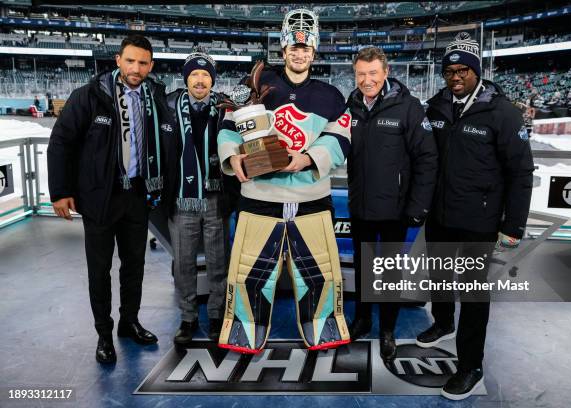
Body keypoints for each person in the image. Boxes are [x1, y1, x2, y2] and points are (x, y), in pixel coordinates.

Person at [217, 8, 352, 353]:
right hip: (260, 196)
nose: (299, 52)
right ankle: (243, 332)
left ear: (314, 51)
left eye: (305, 48)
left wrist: (307, 158)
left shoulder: (331, 96)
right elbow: (229, 123)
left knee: (318, 272)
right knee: (251, 272)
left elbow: (341, 139)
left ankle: (324, 328)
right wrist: (232, 157)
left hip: (311, 200)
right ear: (283, 48)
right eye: (294, 47)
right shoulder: (258, 84)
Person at [418, 32, 534, 400]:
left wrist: (513, 225)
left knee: (472, 295)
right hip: (439, 214)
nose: (455, 77)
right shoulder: (436, 106)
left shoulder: (502, 111)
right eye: (449, 70)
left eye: (463, 71)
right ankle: (441, 324)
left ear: (476, 72)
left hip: (478, 220)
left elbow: (521, 171)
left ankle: (470, 365)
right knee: (438, 278)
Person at [47, 34, 171, 364]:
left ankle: (129, 322)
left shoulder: (154, 97)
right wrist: (60, 191)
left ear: (150, 66)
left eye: (143, 62)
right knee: (99, 269)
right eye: (130, 60)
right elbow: (61, 142)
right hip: (100, 197)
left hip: (137, 195)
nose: (136, 67)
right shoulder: (90, 95)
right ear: (118, 60)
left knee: (135, 266)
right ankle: (104, 333)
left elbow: (166, 142)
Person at [346, 46, 438, 361]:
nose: (366, 80)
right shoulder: (351, 105)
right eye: (361, 73)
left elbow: (427, 159)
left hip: (395, 211)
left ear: (385, 73)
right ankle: (361, 318)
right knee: (362, 268)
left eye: (373, 73)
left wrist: (418, 207)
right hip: (360, 208)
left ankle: (387, 329)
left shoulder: (409, 108)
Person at [162, 48, 230, 345]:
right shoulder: (168, 106)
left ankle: (215, 316)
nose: (200, 80)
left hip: (215, 197)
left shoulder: (227, 107)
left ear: (212, 80)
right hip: (182, 198)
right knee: (184, 263)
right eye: (194, 74)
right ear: (186, 78)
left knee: (218, 263)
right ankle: (188, 317)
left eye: (205, 75)